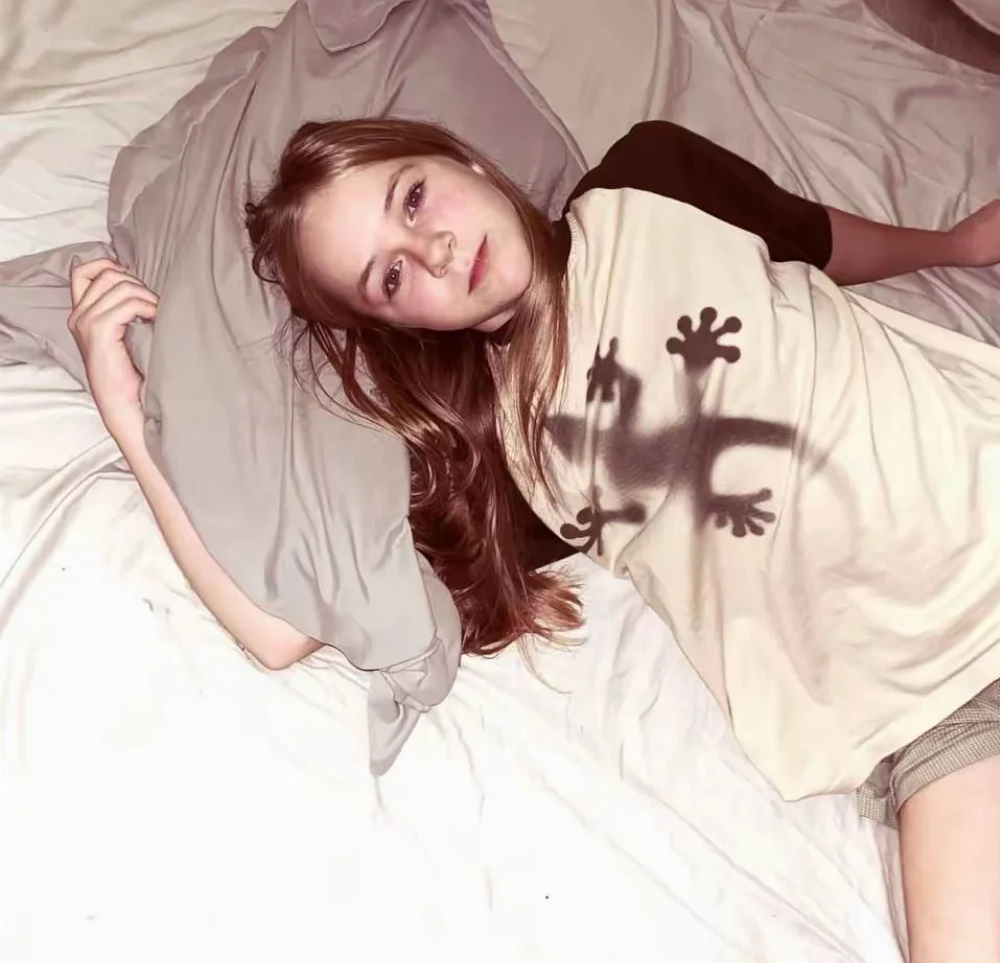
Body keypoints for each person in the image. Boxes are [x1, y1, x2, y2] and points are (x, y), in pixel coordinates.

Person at [70, 117, 1000, 963]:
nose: (433, 250)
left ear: (463, 159)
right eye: (391, 277)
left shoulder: (652, 180)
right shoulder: (502, 467)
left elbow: (812, 237)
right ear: (399, 326)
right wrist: (127, 416)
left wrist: (953, 246)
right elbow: (280, 633)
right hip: (926, 701)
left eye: (413, 197)